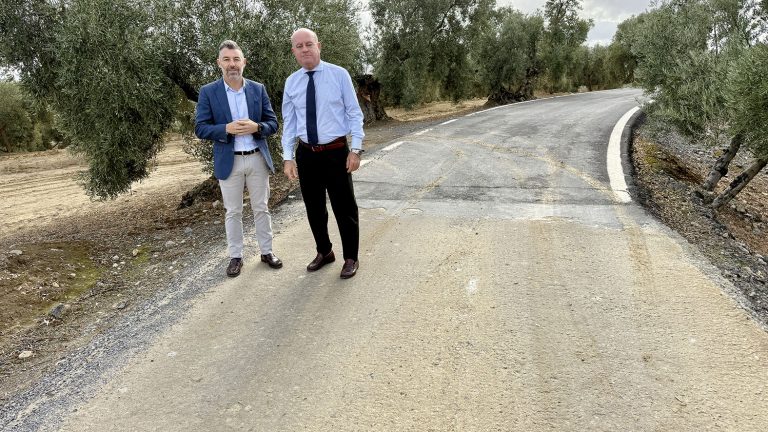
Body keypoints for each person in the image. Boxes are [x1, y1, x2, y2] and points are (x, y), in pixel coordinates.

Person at [281, 28, 365, 279]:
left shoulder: (339, 75)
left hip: (336, 152)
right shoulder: (291, 82)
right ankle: (325, 251)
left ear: (319, 45)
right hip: (307, 154)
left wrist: (356, 149)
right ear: (294, 51)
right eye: (299, 46)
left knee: (344, 207)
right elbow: (290, 122)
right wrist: (288, 157)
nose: (304, 49)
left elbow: (354, 113)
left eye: (309, 44)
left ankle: (351, 257)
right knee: (314, 208)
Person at [195, 40, 283, 277]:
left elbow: (273, 123)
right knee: (232, 211)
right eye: (227, 59)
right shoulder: (208, 92)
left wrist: (257, 127)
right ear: (219, 63)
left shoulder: (258, 89)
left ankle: (267, 252)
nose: (232, 64)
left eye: (236, 59)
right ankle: (236, 257)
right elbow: (200, 128)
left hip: (256, 158)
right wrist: (226, 129)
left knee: (261, 207)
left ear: (243, 62)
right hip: (229, 160)